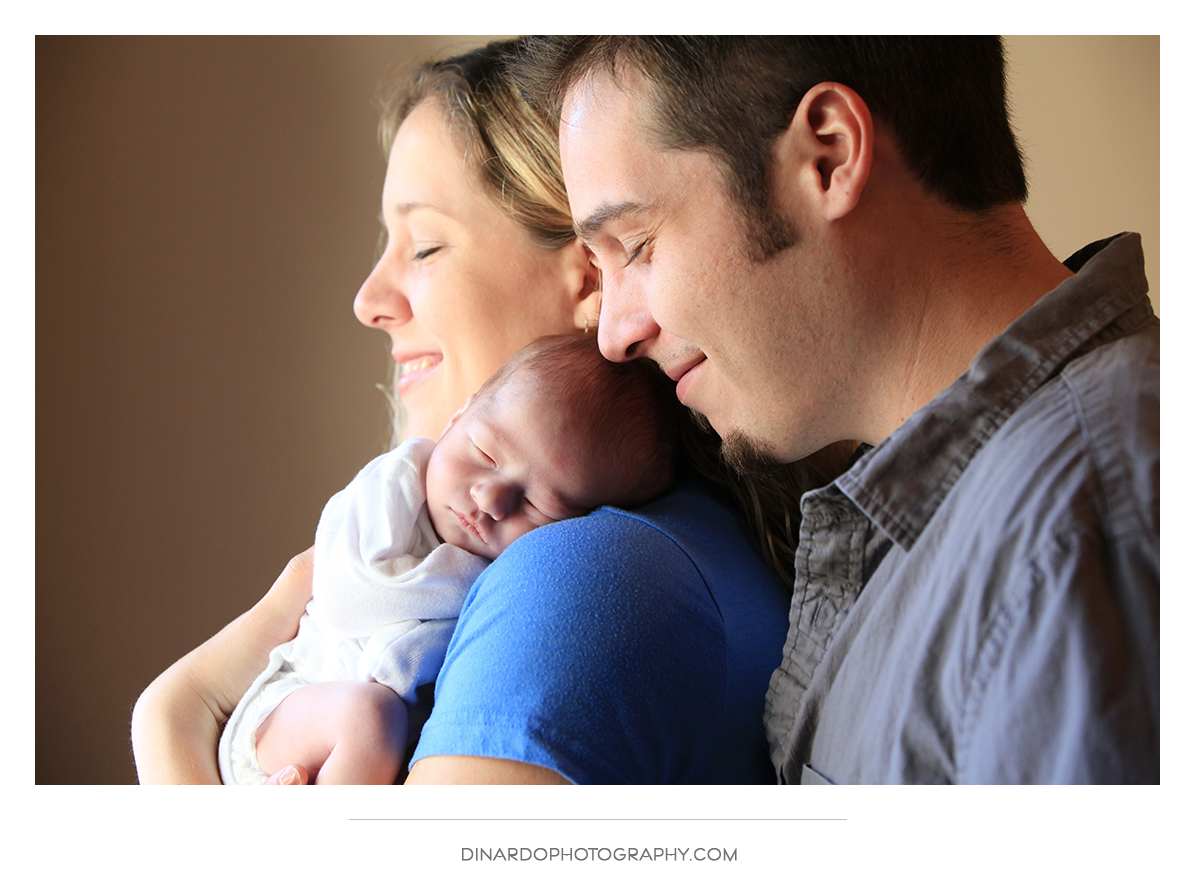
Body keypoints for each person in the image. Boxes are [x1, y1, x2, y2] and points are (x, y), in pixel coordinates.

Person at [132, 38, 812, 785]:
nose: (367, 301)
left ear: (590, 276)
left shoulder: (574, 580)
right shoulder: (682, 541)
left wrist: (174, 718)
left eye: (424, 246)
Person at [524, 36, 1160, 783]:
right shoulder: (962, 515)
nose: (614, 335)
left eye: (634, 244)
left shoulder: (1084, 524)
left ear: (827, 158)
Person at [221, 335, 677, 784]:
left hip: (351, 761)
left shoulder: (523, 579)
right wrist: (463, 585)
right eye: (485, 452)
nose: (491, 498)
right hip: (287, 706)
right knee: (369, 717)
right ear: (458, 416)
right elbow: (348, 596)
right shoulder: (394, 486)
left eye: (541, 503)